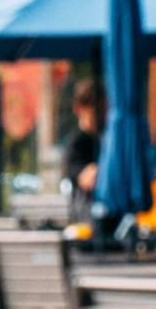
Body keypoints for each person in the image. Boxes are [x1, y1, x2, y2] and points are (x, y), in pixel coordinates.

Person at [60, 79, 103, 223]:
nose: (101, 117)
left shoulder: (107, 140)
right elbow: (86, 179)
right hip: (87, 218)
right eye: (95, 111)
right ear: (79, 109)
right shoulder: (76, 144)